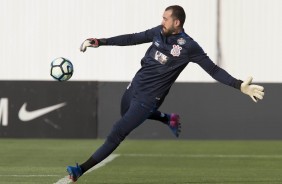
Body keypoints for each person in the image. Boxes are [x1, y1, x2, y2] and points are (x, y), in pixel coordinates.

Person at [67, 5, 264, 182]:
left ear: (176, 22)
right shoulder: (158, 32)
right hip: (134, 87)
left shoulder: (188, 46)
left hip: (148, 99)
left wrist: (239, 86)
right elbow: (132, 38)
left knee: (117, 132)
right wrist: (100, 41)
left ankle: (79, 170)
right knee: (123, 113)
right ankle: (167, 118)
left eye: (165, 18)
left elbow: (213, 70)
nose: (162, 22)